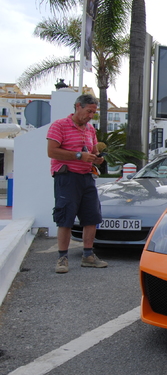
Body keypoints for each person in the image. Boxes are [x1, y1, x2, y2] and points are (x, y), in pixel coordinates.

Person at [47, 94, 107, 274]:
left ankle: (88, 256)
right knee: (65, 217)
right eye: (88, 111)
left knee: (92, 217)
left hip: (86, 177)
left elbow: (94, 151)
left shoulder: (90, 130)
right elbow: (52, 151)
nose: (90, 115)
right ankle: (62, 258)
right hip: (67, 177)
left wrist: (97, 159)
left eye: (93, 113)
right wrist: (78, 156)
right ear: (78, 106)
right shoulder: (59, 125)